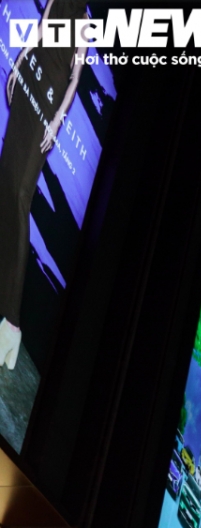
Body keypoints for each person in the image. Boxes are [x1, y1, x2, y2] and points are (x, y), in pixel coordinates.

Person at [0, 0, 88, 370]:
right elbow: (38, 33)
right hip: (27, 88)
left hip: (45, 108)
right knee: (5, 186)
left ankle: (12, 324)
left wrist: (56, 122)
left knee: (19, 197)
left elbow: (75, 79)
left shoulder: (85, 22)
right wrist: (18, 63)